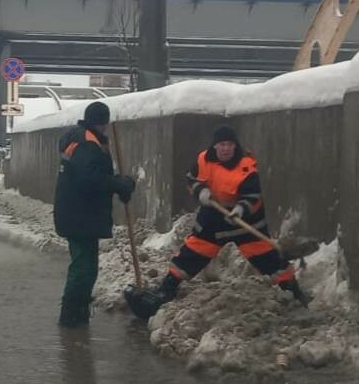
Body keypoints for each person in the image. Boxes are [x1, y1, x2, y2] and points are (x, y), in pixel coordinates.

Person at [125, 124, 307, 319]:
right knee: (193, 252)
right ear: (215, 146)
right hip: (214, 217)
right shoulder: (204, 159)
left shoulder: (246, 166)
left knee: (268, 257)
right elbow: (191, 178)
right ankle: (167, 288)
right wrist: (200, 190)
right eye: (222, 144)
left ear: (235, 146)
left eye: (229, 144)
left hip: (246, 221)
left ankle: (293, 292)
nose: (226, 148)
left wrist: (240, 208)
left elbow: (253, 196)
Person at [53, 101, 135, 328]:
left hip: (76, 212)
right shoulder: (88, 143)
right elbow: (89, 178)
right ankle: (72, 316)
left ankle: (75, 314)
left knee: (84, 264)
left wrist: (117, 185)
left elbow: (92, 175)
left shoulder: (81, 138)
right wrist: (117, 184)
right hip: (80, 215)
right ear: (102, 123)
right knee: (84, 267)